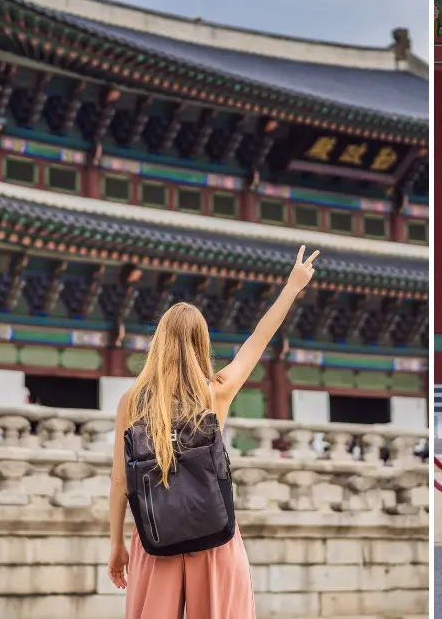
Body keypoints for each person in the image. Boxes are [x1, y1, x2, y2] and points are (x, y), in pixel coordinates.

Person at [106, 246, 320, 618]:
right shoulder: (214, 391)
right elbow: (259, 340)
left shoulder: (131, 401)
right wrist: (292, 287)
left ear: (158, 343)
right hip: (211, 530)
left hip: (154, 535)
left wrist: (116, 546)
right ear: (202, 343)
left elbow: (120, 480)